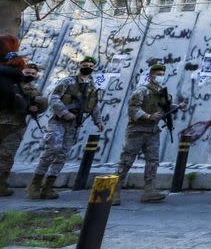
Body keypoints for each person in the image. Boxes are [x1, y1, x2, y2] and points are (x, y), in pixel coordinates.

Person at [27, 56, 104, 200]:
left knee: (62, 155)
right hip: (59, 121)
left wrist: (98, 121)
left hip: (74, 124)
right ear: (80, 65)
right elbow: (54, 97)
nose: (88, 67)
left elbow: (93, 105)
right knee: (52, 150)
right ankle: (35, 185)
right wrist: (64, 112)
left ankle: (48, 187)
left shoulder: (92, 86)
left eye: (91, 65)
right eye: (85, 64)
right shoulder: (68, 81)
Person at [113, 62, 187, 205]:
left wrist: (178, 106)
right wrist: (148, 116)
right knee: (126, 160)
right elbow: (133, 109)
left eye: (162, 75)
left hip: (152, 131)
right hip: (137, 130)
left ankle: (149, 190)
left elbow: (165, 108)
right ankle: (114, 191)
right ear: (151, 75)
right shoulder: (142, 91)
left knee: (153, 161)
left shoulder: (162, 92)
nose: (161, 77)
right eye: (158, 74)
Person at [0, 37, 48, 197]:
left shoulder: (14, 81)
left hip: (13, 121)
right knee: (6, 154)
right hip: (14, 123)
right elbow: (40, 102)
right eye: (28, 72)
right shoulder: (18, 82)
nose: (30, 75)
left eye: (33, 73)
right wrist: (33, 105)